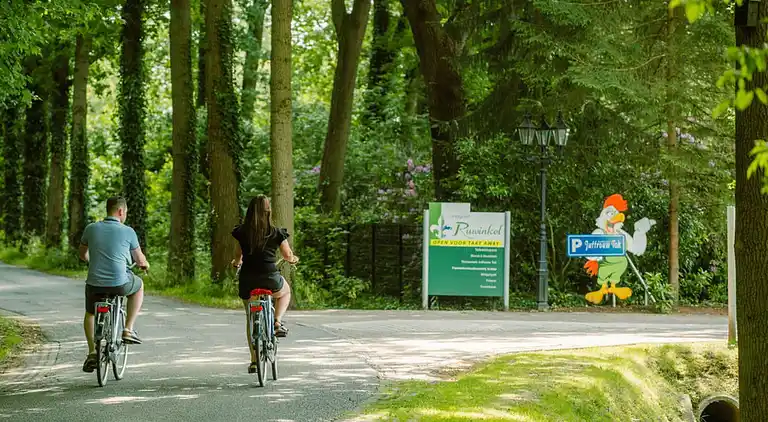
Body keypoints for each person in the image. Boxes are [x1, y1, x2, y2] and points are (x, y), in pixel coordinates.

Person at [78, 196, 150, 373]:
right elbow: (139, 259)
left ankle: (92, 352)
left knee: (90, 313)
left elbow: (82, 254)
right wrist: (144, 265)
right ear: (120, 211)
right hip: (120, 283)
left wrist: (92, 262)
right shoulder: (128, 231)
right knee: (139, 286)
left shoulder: (91, 228)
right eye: (125, 212)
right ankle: (128, 329)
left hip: (95, 284)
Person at [231, 195, 298, 373]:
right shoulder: (275, 232)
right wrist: (292, 259)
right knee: (285, 292)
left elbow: (238, 255)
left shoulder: (241, 232)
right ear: (268, 211)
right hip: (270, 278)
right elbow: (286, 254)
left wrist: (236, 262)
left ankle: (254, 360)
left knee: (249, 317)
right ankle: (277, 321)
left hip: (248, 281)